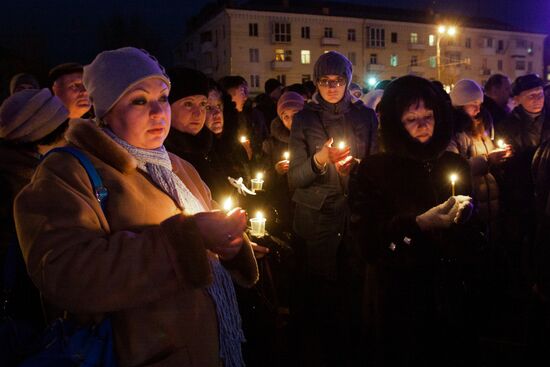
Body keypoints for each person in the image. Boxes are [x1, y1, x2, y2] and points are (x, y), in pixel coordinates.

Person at [14, 47, 258, 367]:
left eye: (164, 97)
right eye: (139, 100)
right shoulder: (67, 172)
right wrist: (188, 239)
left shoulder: (179, 167)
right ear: (106, 111)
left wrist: (231, 245)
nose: (159, 113)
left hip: (213, 347)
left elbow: (210, 229)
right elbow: (64, 272)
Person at [349, 75, 479, 366]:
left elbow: (473, 238)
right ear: (396, 123)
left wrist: (468, 217)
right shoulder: (373, 170)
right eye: (411, 118)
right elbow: (367, 244)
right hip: (398, 302)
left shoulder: (454, 164)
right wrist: (417, 224)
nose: (423, 125)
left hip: (448, 299)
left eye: (428, 116)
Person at [288, 51, 378, 366]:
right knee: (321, 297)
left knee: (354, 296)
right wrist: (319, 161)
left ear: (347, 80)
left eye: (338, 80)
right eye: (324, 81)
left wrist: (359, 167)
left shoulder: (365, 117)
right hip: (318, 223)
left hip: (354, 217)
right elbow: (295, 178)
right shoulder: (304, 119)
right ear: (316, 83)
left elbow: (379, 167)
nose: (331, 87)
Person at [0, 89, 69, 364]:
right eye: (66, 132)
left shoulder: (20, 173)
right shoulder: (27, 186)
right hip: (25, 321)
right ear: (45, 136)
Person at [496, 73, 550, 291]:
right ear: (517, 99)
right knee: (520, 243)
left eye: (540, 94)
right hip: (520, 195)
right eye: (531, 95)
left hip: (547, 196)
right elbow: (502, 165)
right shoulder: (507, 125)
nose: (538, 99)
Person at [448, 79, 509, 244]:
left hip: (490, 197)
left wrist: (500, 155)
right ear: (460, 104)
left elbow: (489, 153)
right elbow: (456, 167)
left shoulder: (483, 126)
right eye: (472, 104)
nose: (478, 108)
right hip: (471, 197)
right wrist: (488, 160)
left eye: (480, 103)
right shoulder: (455, 131)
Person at [262, 91, 305, 233]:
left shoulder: (313, 139)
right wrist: (276, 170)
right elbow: (263, 178)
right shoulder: (271, 144)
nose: (291, 121)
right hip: (283, 205)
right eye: (285, 116)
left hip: (308, 205)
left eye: (295, 114)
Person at [219, 76, 268, 163]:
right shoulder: (220, 122)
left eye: (246, 92)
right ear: (228, 94)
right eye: (242, 92)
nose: (245, 97)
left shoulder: (248, 117)